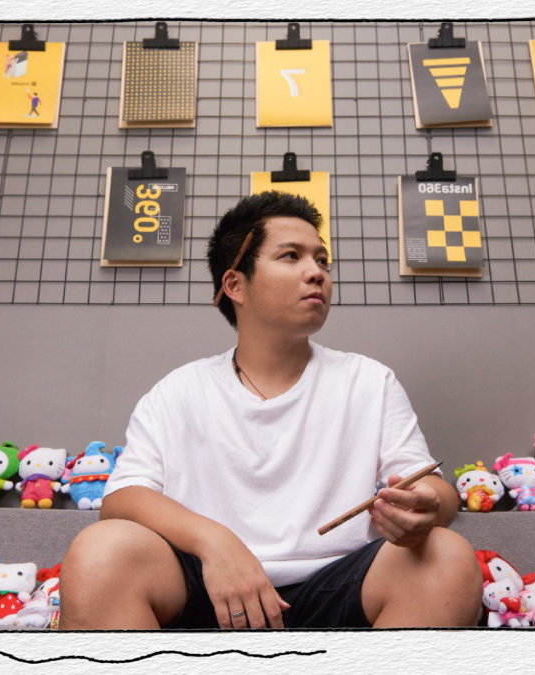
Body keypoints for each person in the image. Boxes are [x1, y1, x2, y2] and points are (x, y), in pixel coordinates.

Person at [60, 191, 482, 630]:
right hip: (209, 586)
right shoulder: (178, 391)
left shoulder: (369, 381)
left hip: (339, 586)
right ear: (235, 285)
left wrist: (424, 506)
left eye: (322, 260)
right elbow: (123, 498)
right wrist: (215, 541)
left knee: (445, 555)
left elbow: (434, 489)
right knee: (100, 552)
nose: (316, 272)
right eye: (291, 256)